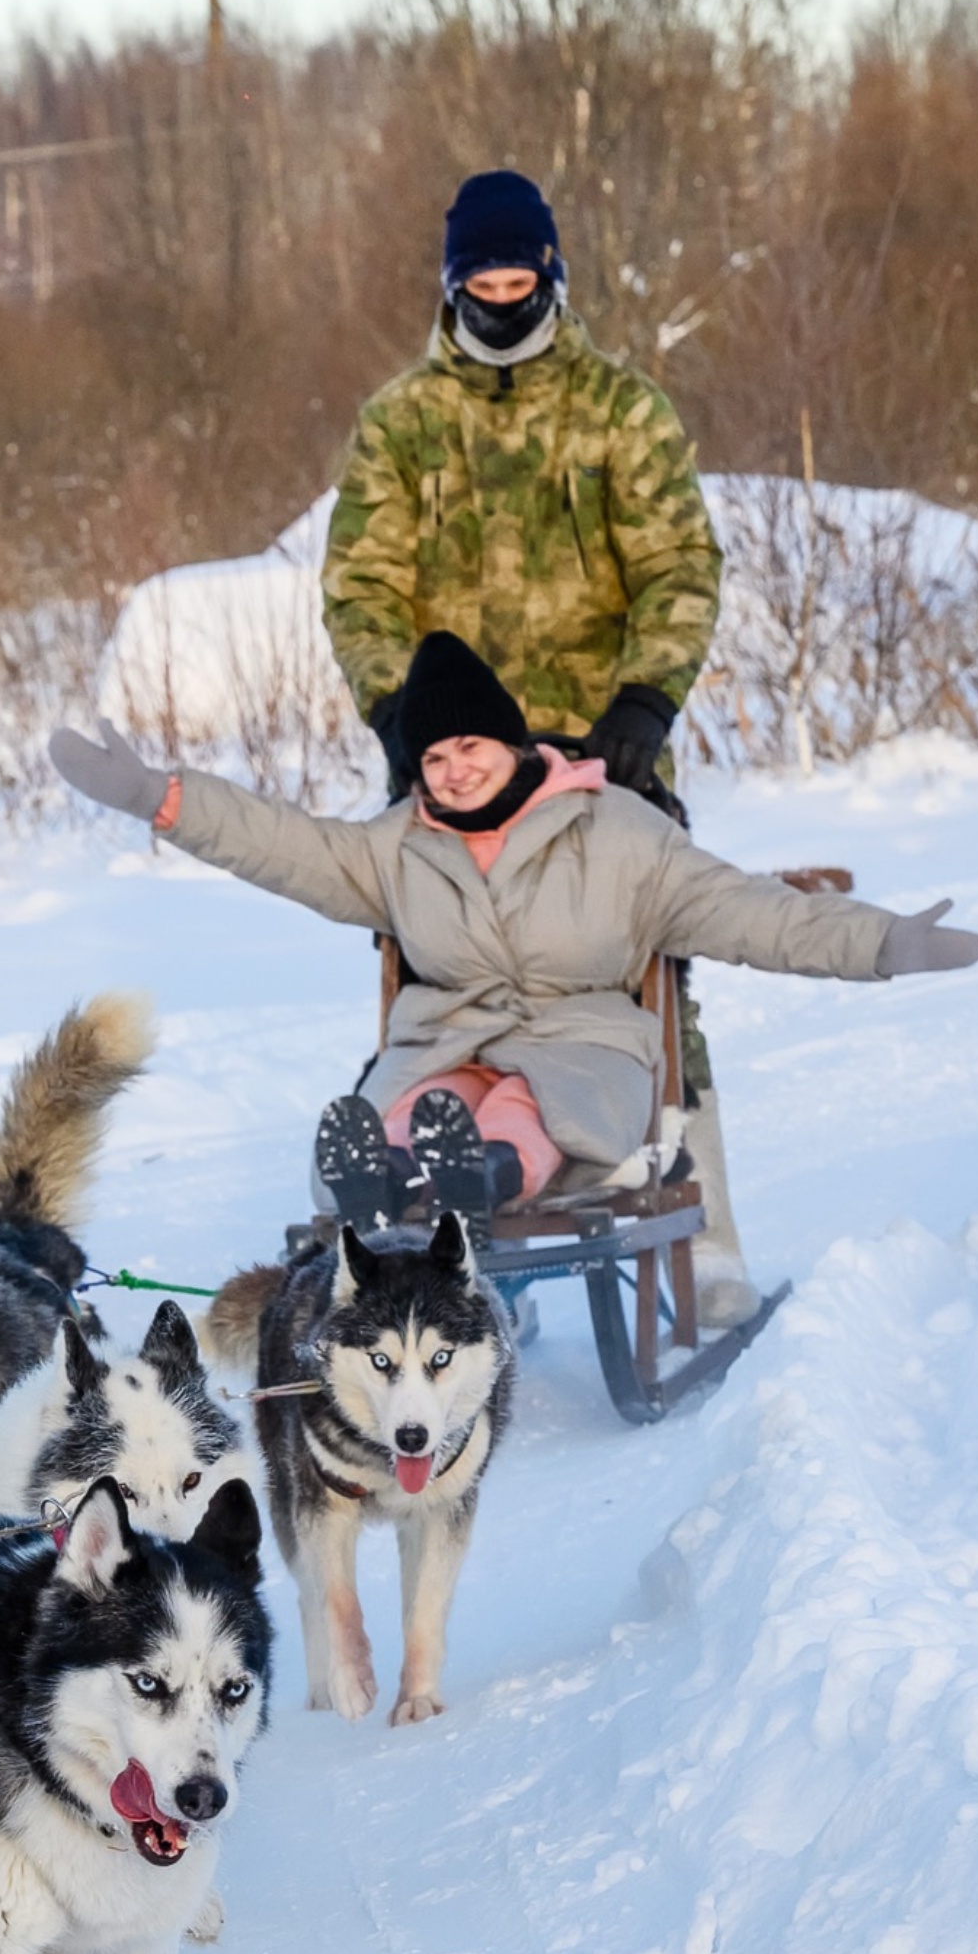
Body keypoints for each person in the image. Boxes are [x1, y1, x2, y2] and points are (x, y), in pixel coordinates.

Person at [48, 633, 978, 1248]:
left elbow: (756, 915)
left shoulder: (619, 832)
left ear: (510, 741)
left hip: (580, 1050)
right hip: (446, 1040)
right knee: (432, 1096)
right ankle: (390, 1170)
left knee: (525, 1104)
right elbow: (283, 845)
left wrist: (885, 945)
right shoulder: (397, 847)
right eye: (435, 759)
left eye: (471, 748)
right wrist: (160, 798)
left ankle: (482, 1178)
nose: (454, 772)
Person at [318, 167, 765, 1313]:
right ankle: (435, 1222)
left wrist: (645, 704)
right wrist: (396, 719)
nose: (502, 300)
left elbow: (679, 563)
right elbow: (361, 588)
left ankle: (702, 1234)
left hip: (599, 758)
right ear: (452, 284)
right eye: (483, 282)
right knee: (439, 985)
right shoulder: (401, 423)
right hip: (452, 773)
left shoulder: (621, 409)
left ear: (553, 277)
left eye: (522, 281)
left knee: (649, 986)